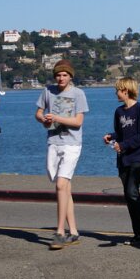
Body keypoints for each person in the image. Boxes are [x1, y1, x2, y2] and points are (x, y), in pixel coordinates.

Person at [35, 59, 89, 250]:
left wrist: (57, 117)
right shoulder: (48, 91)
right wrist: (43, 119)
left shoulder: (78, 94)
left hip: (72, 144)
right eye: (58, 75)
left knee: (60, 185)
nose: (61, 78)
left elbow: (78, 121)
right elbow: (38, 112)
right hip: (53, 142)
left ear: (70, 76)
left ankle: (59, 232)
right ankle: (73, 232)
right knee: (64, 188)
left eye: (65, 75)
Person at [103, 77, 140, 245]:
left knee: (132, 192)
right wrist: (111, 136)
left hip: (138, 157)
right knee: (130, 195)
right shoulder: (119, 112)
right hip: (123, 159)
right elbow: (120, 133)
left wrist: (123, 145)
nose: (116, 93)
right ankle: (139, 233)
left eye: (117, 90)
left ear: (126, 91)